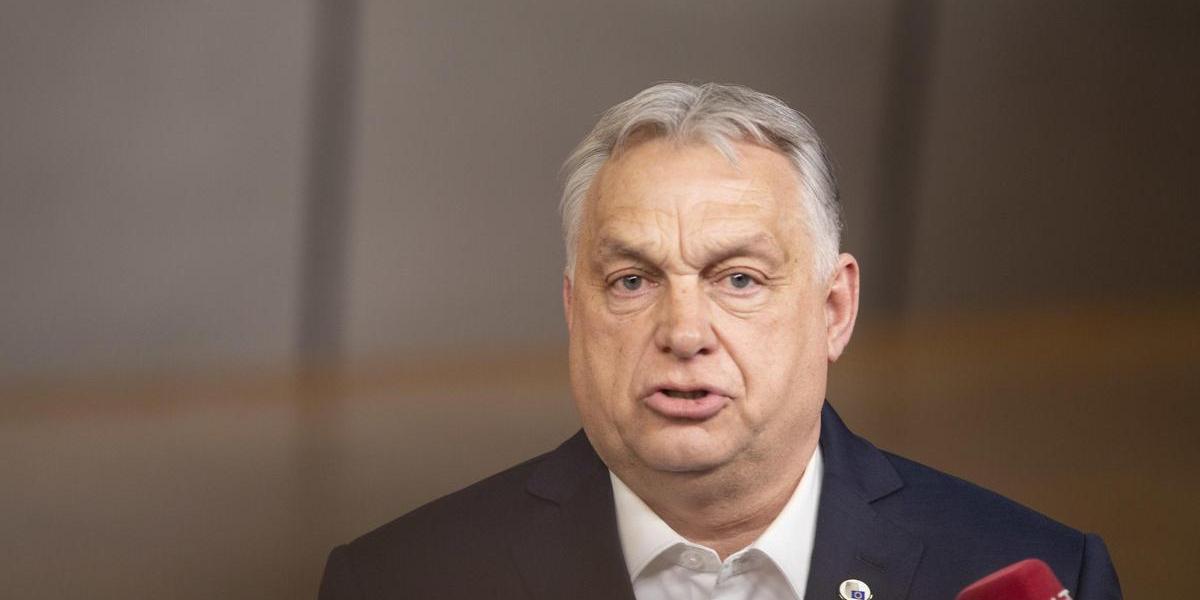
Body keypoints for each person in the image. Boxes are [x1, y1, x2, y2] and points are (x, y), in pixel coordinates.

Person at [318, 82, 1122, 599]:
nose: (683, 332)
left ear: (834, 309)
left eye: (738, 278)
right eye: (631, 281)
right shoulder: (398, 581)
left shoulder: (1031, 574)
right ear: (573, 310)